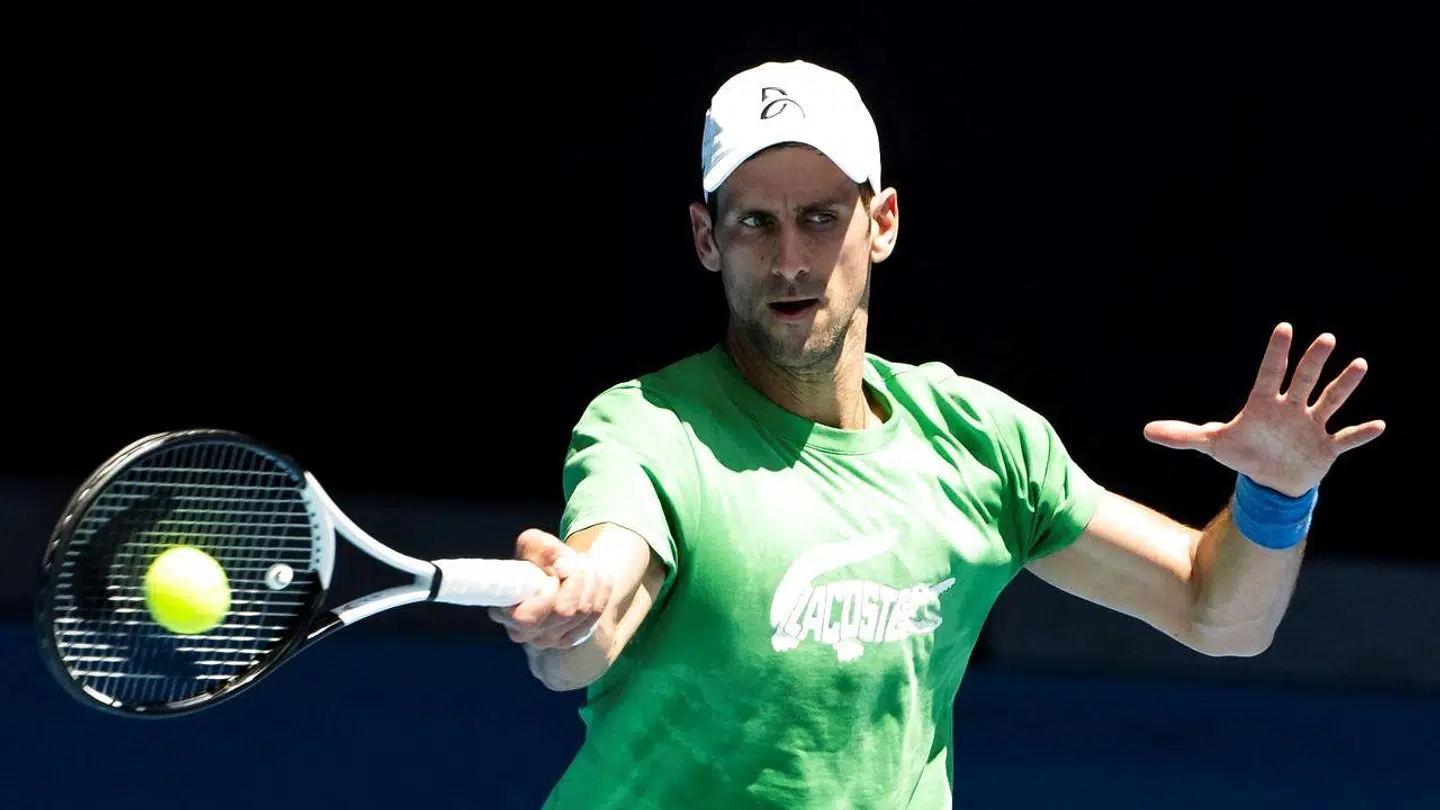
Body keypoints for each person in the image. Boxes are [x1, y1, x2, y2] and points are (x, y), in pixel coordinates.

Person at [487, 59, 1386, 809]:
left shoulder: (981, 443)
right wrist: (576, 604)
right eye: (755, 222)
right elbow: (599, 610)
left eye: (820, 217)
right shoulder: (645, 428)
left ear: (881, 224)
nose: (790, 259)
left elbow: (1218, 614)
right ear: (706, 238)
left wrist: (1276, 495)